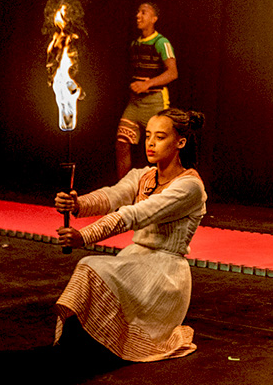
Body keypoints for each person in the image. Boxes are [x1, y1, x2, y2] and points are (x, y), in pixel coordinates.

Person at [55, 108, 207, 362]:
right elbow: (111, 196)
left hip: (164, 274)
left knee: (90, 265)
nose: (150, 143)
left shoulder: (190, 186)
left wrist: (84, 236)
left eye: (160, 137)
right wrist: (77, 204)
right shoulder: (142, 175)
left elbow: (135, 214)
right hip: (135, 260)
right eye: (148, 135)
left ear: (180, 142)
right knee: (91, 269)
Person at [116, 3, 178, 178]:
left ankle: (161, 187)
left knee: (159, 148)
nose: (138, 16)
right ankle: (123, 190)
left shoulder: (161, 42)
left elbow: (173, 73)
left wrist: (147, 84)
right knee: (122, 142)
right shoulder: (135, 43)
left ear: (154, 18)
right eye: (137, 12)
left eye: (143, 12)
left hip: (155, 102)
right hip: (135, 103)